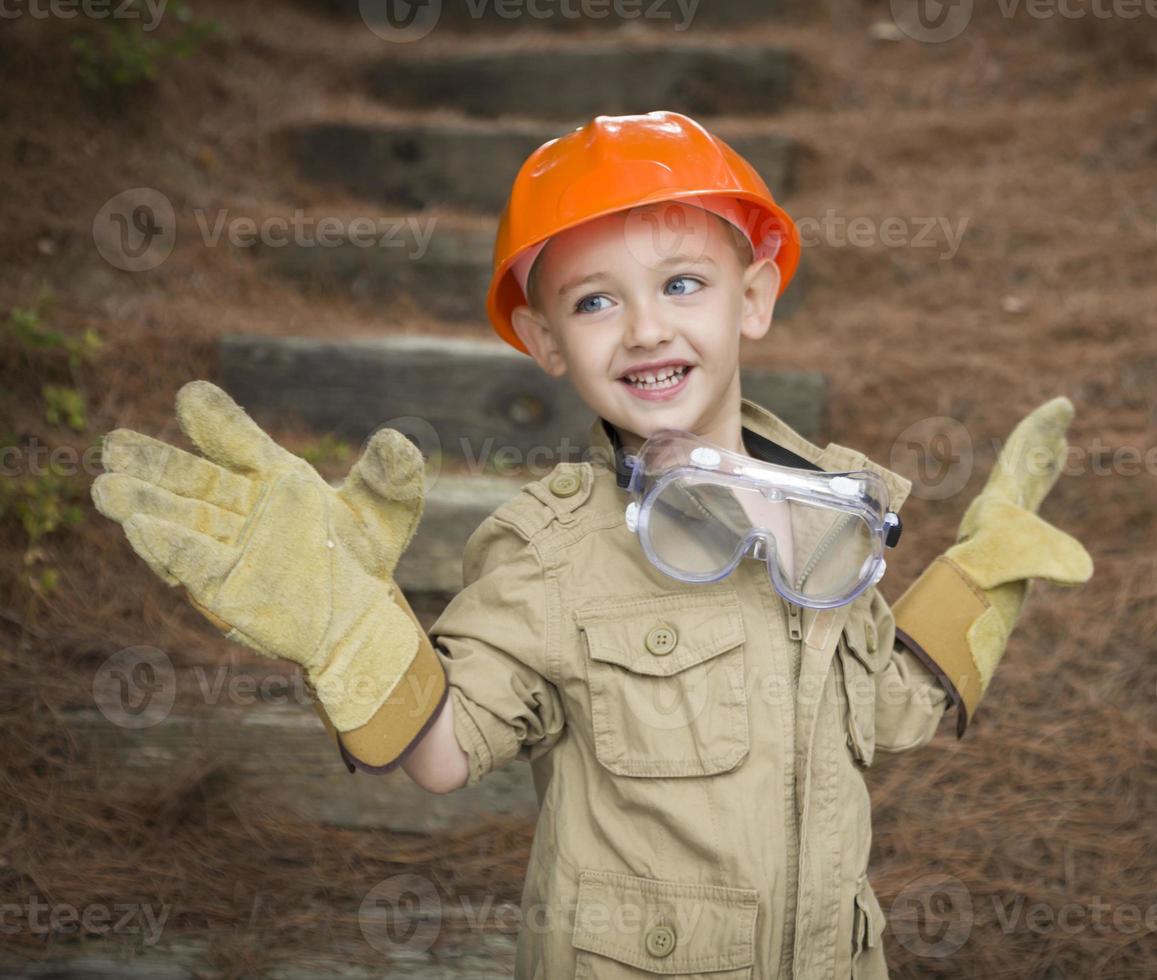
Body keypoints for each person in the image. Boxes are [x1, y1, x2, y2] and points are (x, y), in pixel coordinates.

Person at [90, 110, 1093, 979]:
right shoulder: (551, 553)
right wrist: (343, 619)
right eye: (596, 300)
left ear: (754, 297)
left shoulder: (830, 509)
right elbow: (443, 754)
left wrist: (985, 573)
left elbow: (887, 709)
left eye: (684, 283)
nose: (646, 328)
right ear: (544, 340)